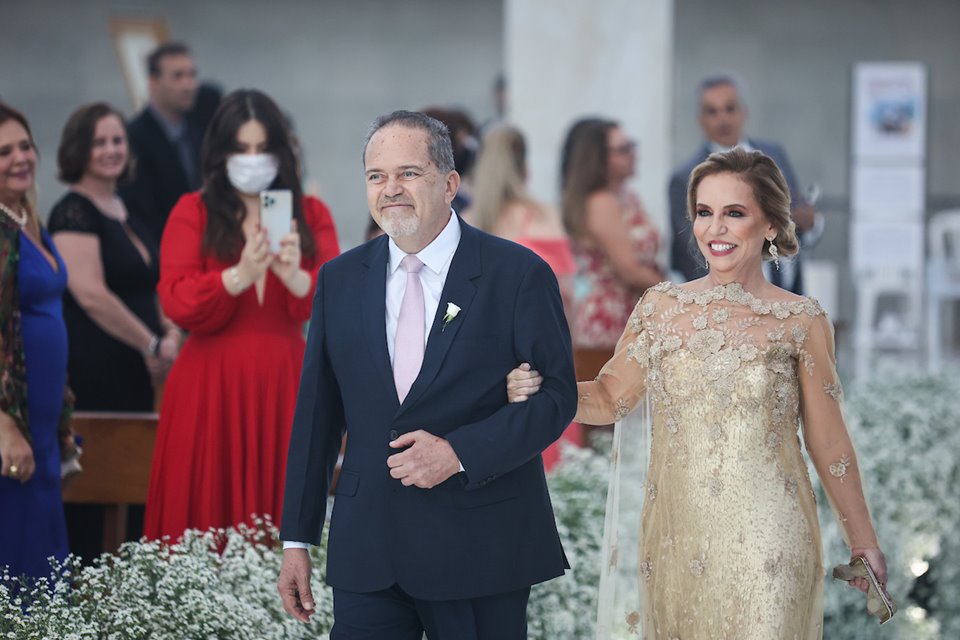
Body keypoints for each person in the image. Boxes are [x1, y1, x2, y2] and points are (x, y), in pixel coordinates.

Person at [509, 148, 889, 638]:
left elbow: (829, 443)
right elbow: (610, 398)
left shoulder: (801, 320)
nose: (716, 229)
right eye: (705, 213)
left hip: (771, 542)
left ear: (770, 224)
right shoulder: (660, 307)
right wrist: (544, 387)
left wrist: (863, 540)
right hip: (677, 541)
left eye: (735, 213)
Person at [277, 111, 576, 640]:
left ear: (450, 183)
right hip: (369, 549)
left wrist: (458, 452)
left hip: (480, 547)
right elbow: (317, 417)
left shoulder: (518, 274)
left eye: (409, 173)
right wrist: (296, 540)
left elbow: (555, 398)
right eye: (376, 176)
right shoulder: (340, 280)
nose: (391, 189)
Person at [143, 89, 340, 541]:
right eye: (241, 149)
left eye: (261, 149)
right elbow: (176, 299)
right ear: (220, 153)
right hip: (209, 383)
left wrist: (292, 276)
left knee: (283, 515)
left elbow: (334, 299)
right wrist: (240, 274)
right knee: (204, 511)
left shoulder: (310, 213)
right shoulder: (193, 211)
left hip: (285, 381)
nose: (252, 160)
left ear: (280, 152)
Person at [50, 102, 181, 412]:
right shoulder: (73, 211)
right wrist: (149, 344)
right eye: (99, 142)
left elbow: (156, 282)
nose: (111, 150)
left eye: (118, 141)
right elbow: (91, 295)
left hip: (149, 363)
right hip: (101, 363)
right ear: (78, 149)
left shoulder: (127, 209)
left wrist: (172, 336)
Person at [466, 124, 580, 469]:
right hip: (540, 365)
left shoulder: (465, 223)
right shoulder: (543, 218)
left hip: (480, 368)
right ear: (524, 167)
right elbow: (567, 298)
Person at [0, 102, 77, 580]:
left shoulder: (27, 219)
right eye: (3, 151)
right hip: (12, 428)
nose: (20, 157)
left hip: (43, 426)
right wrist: (4, 428)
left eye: (24, 145)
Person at [669, 74, 822, 293]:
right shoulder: (685, 178)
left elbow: (797, 222)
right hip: (726, 303)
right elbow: (690, 253)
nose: (722, 119)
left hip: (787, 292)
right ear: (700, 119)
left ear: (744, 111)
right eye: (712, 111)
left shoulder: (774, 154)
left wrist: (810, 224)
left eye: (730, 108)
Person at [561, 117, 663, 351]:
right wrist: (681, 291)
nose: (633, 154)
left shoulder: (628, 196)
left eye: (632, 145)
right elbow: (629, 270)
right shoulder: (600, 203)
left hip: (634, 309)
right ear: (600, 159)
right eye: (623, 149)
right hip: (610, 315)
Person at [122, 42, 202, 241]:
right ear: (153, 82)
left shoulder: (199, 131)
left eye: (192, 75)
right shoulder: (133, 137)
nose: (188, 85)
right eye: (178, 76)